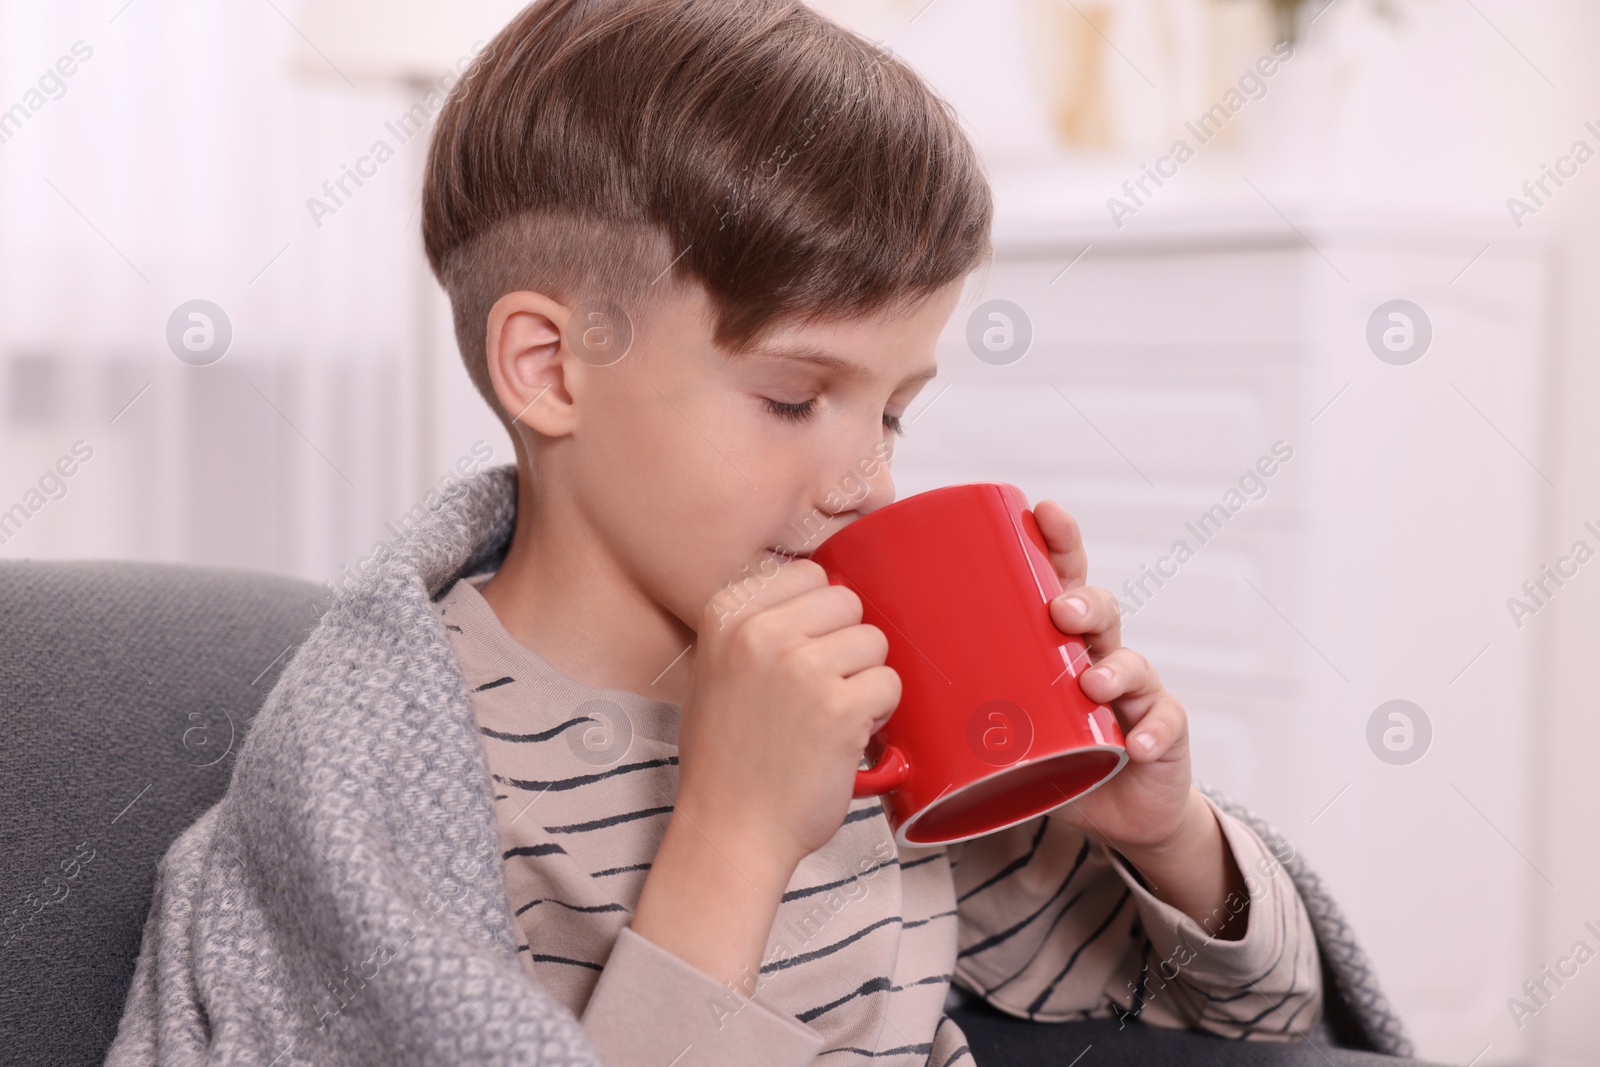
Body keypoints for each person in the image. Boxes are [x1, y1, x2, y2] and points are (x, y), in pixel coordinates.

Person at [419, 1, 1318, 1063]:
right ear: (550, 366)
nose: (869, 484)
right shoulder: (417, 771)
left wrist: (1161, 837)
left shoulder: (873, 713)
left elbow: (1250, 1027)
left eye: (891, 413)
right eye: (794, 399)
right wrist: (736, 836)